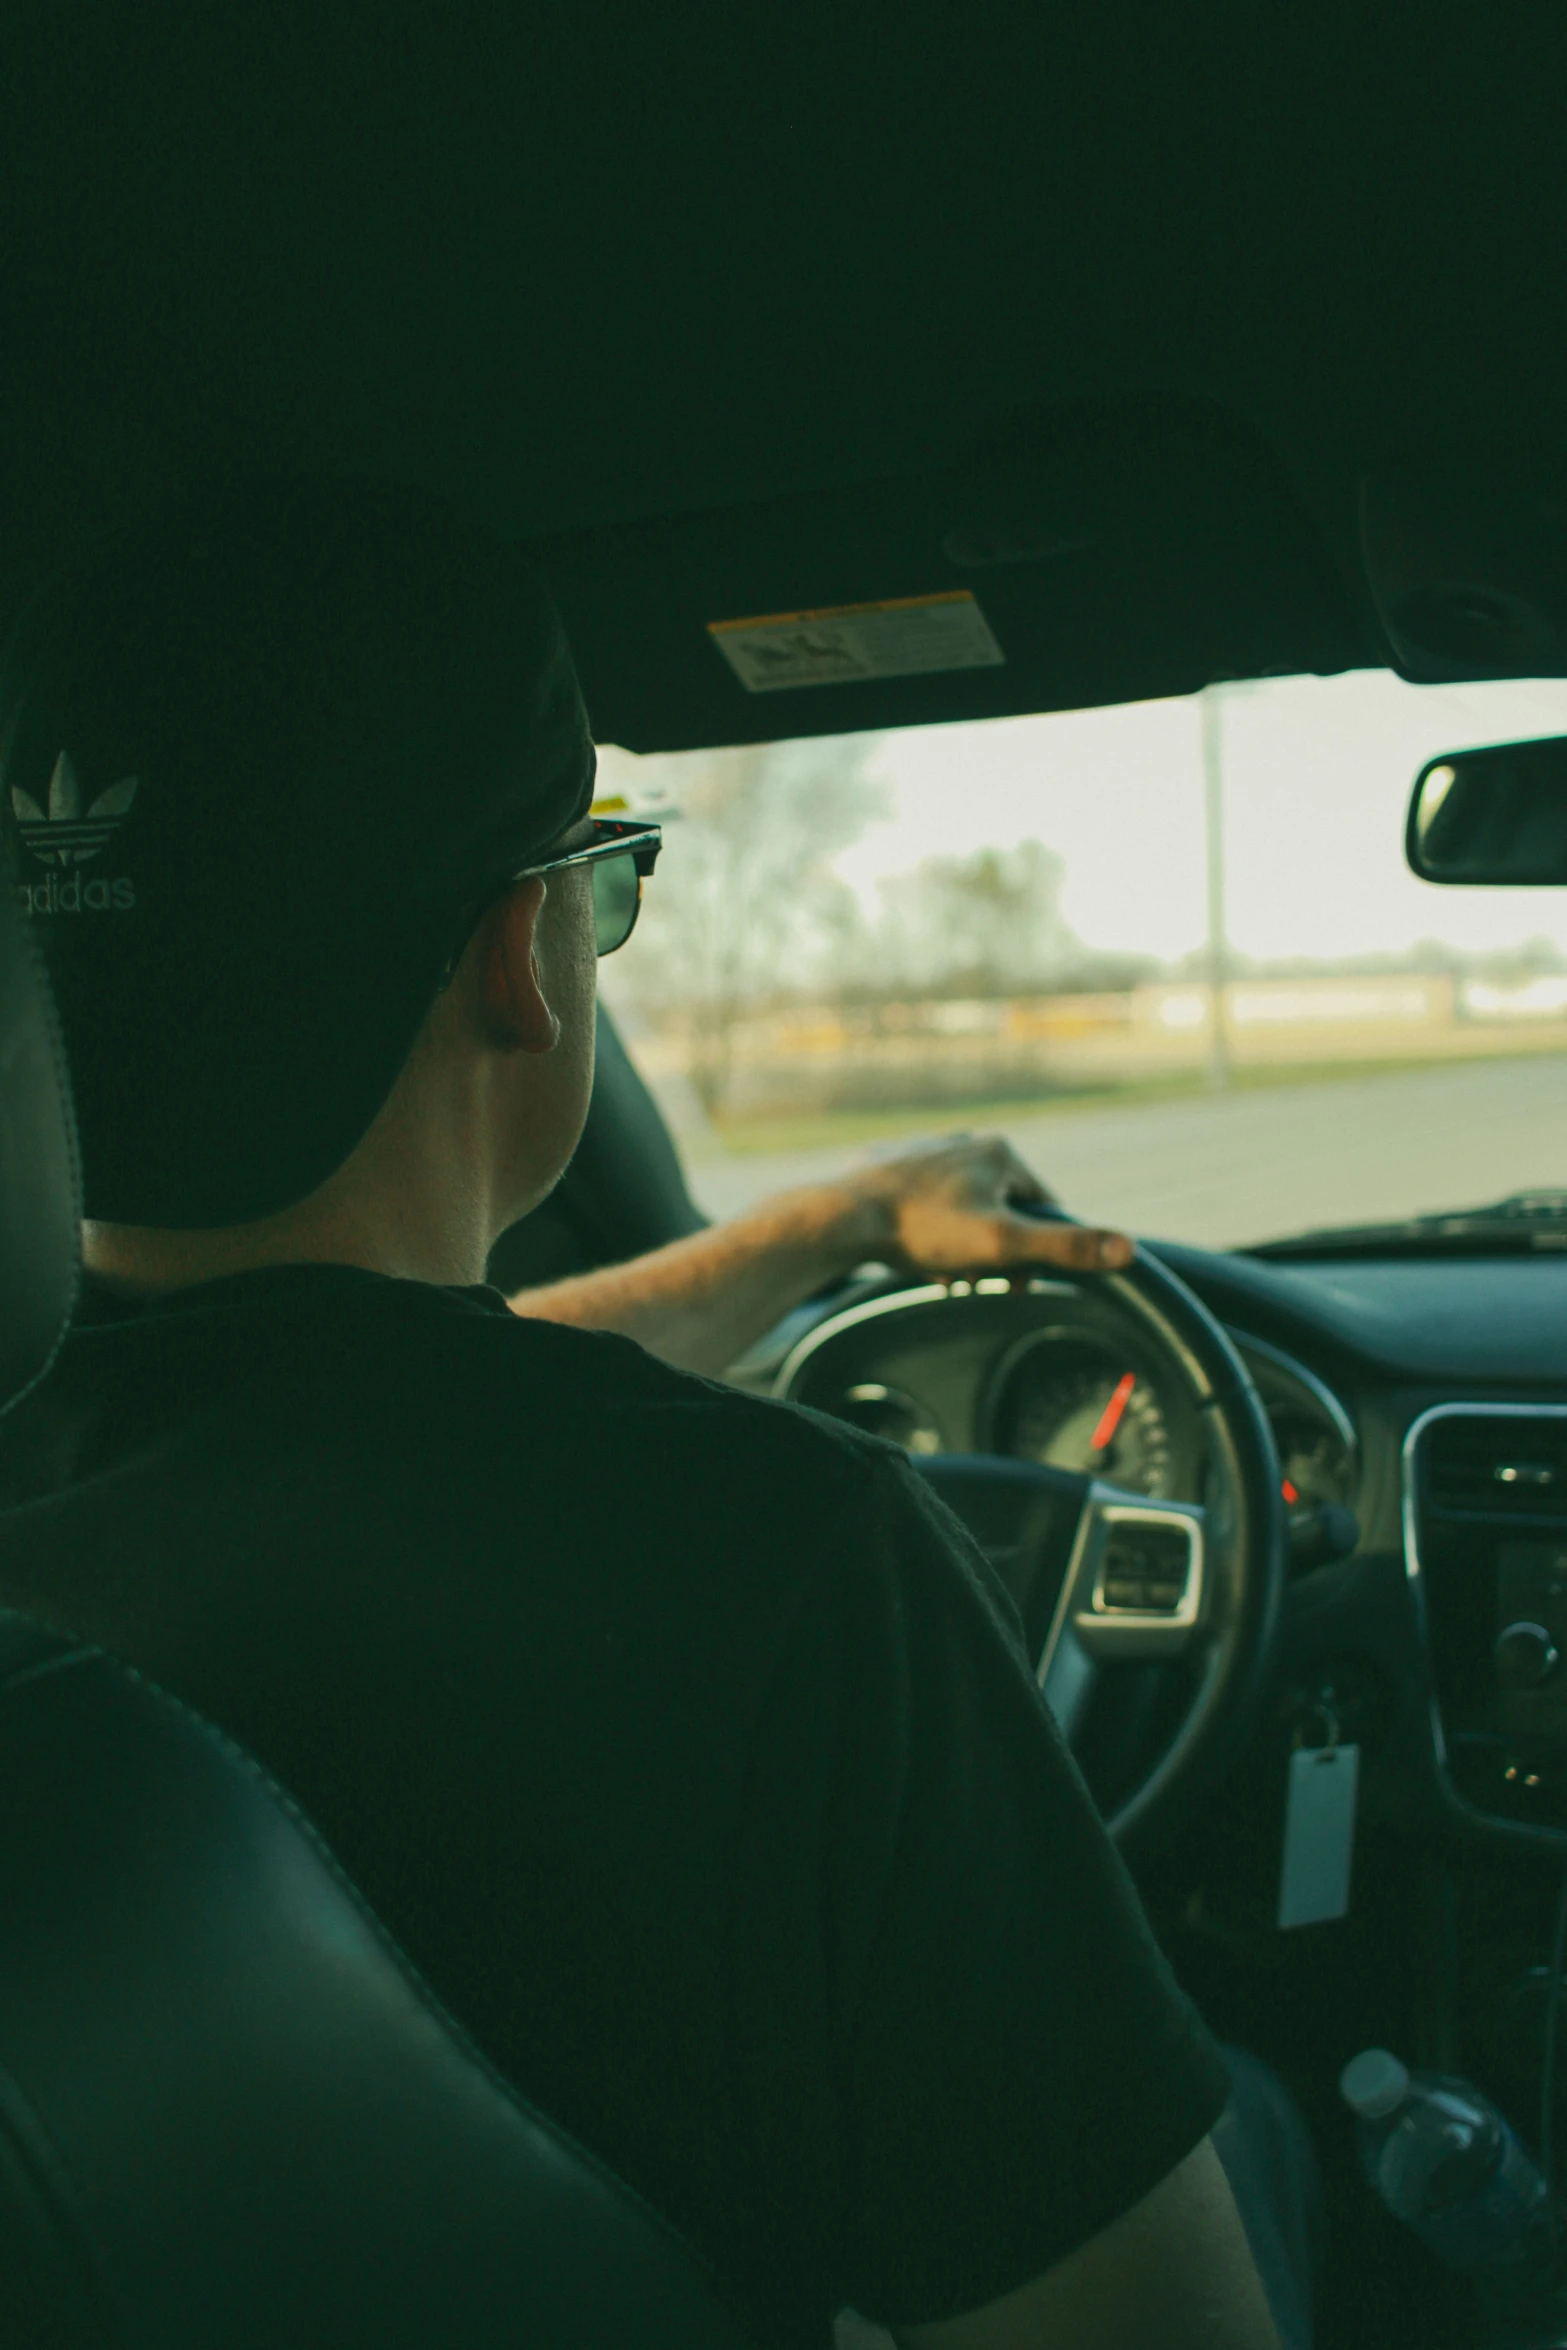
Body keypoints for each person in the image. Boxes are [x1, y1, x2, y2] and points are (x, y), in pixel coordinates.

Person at [0, 475, 1320, 2350]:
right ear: (524, 957)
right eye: (603, 881)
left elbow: (346, 1394)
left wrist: (820, 1231)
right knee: (1265, 2123)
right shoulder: (792, 1567)